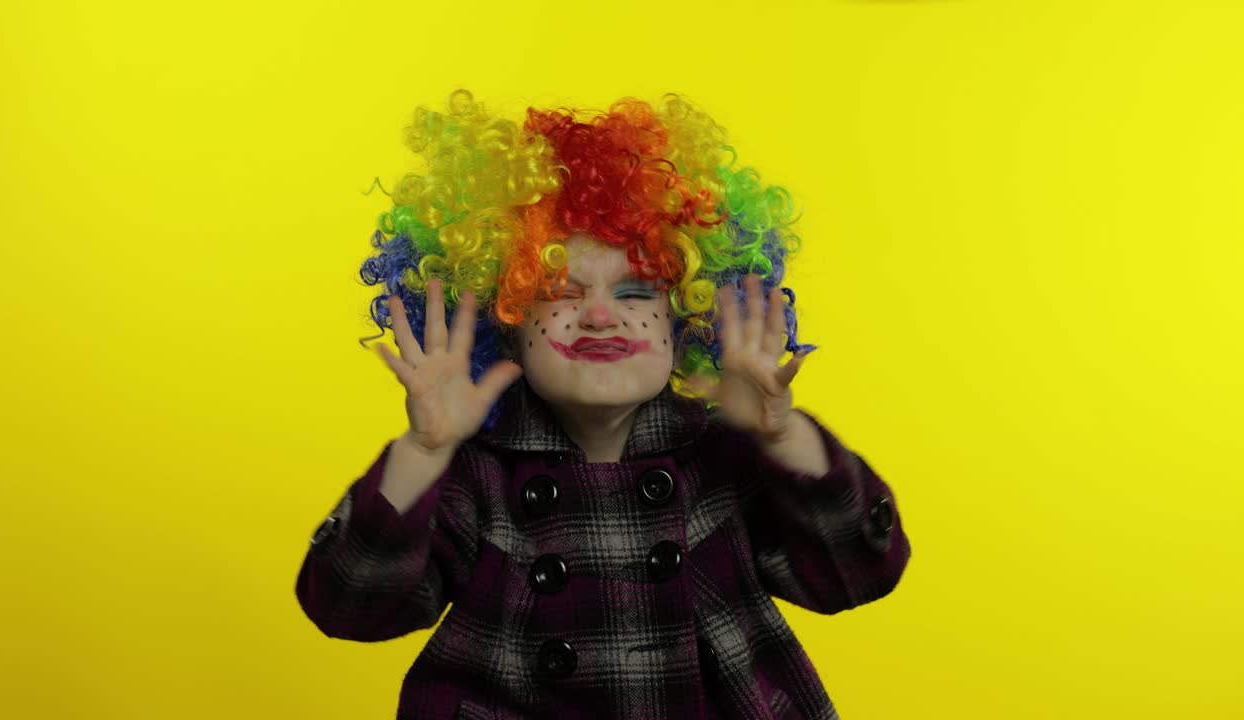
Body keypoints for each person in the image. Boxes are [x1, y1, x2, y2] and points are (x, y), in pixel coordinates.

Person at [295, 90, 911, 719]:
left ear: (685, 324)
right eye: (560, 291)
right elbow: (351, 607)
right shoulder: (475, 478)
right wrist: (423, 452)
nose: (597, 315)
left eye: (638, 293)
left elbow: (854, 575)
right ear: (503, 320)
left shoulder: (725, 460)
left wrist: (784, 438)